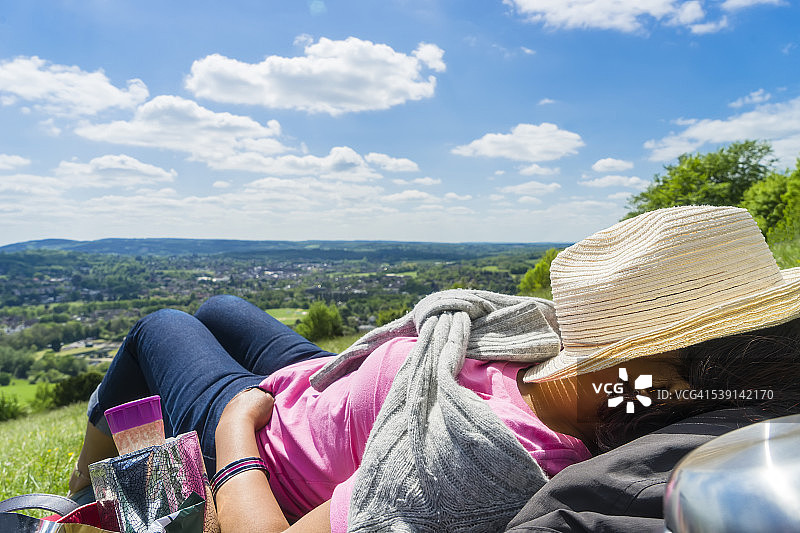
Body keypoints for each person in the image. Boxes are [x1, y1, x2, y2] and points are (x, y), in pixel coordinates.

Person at [67, 205, 800, 533]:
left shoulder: (468, 468)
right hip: (335, 385)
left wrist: (233, 434)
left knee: (159, 330)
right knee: (221, 304)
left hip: (277, 439)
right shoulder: (581, 368)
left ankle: (81, 499)